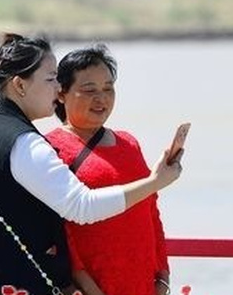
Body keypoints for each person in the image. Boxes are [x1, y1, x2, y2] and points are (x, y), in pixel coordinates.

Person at [0, 34, 183, 295]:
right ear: (20, 85)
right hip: (14, 283)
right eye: (51, 78)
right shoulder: (25, 142)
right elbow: (81, 206)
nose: (58, 88)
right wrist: (155, 182)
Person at [45, 44, 173, 295]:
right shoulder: (49, 148)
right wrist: (87, 286)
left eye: (108, 88)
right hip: (92, 286)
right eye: (89, 90)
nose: (101, 98)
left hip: (143, 284)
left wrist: (163, 275)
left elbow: (151, 211)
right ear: (61, 93)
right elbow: (57, 229)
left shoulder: (129, 142)